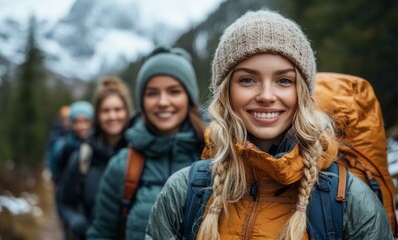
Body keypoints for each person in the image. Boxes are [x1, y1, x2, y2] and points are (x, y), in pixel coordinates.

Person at [145, 10, 393, 240]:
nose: (266, 95)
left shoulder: (349, 200)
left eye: (284, 80)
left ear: (303, 94)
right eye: (247, 79)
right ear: (226, 92)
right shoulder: (183, 192)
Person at [87, 47, 205, 239]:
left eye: (174, 91)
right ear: (142, 101)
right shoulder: (122, 166)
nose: (163, 102)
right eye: (152, 93)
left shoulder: (217, 158)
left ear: (189, 98)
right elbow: (101, 233)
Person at [59, 76, 133, 240]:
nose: (112, 116)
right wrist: (80, 225)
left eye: (118, 109)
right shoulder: (83, 156)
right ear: (97, 115)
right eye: (105, 110)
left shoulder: (141, 154)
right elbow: (65, 202)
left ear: (127, 112)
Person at [50, 101, 94, 185]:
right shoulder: (64, 145)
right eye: (77, 122)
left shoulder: (98, 144)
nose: (82, 126)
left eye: (86, 121)